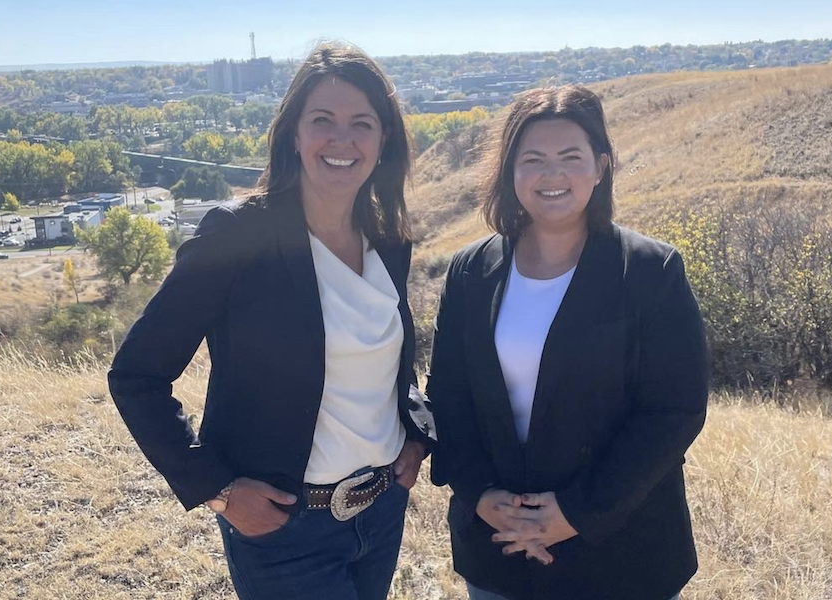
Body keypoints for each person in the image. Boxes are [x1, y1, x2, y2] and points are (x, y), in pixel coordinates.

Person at [108, 43, 433, 600]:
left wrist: (416, 433)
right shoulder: (239, 235)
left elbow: (389, 363)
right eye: (322, 121)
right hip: (286, 528)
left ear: (383, 142)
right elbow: (136, 375)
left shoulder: (387, 238)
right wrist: (217, 490)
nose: (342, 139)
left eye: (362, 123)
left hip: (381, 512)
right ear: (292, 135)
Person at [427, 85, 709, 600]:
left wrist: (577, 513)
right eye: (532, 158)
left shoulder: (650, 271)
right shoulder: (472, 271)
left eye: (570, 157)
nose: (552, 175)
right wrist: (481, 494)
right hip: (500, 549)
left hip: (621, 552)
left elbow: (674, 411)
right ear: (510, 171)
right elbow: (448, 396)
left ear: (600, 166)